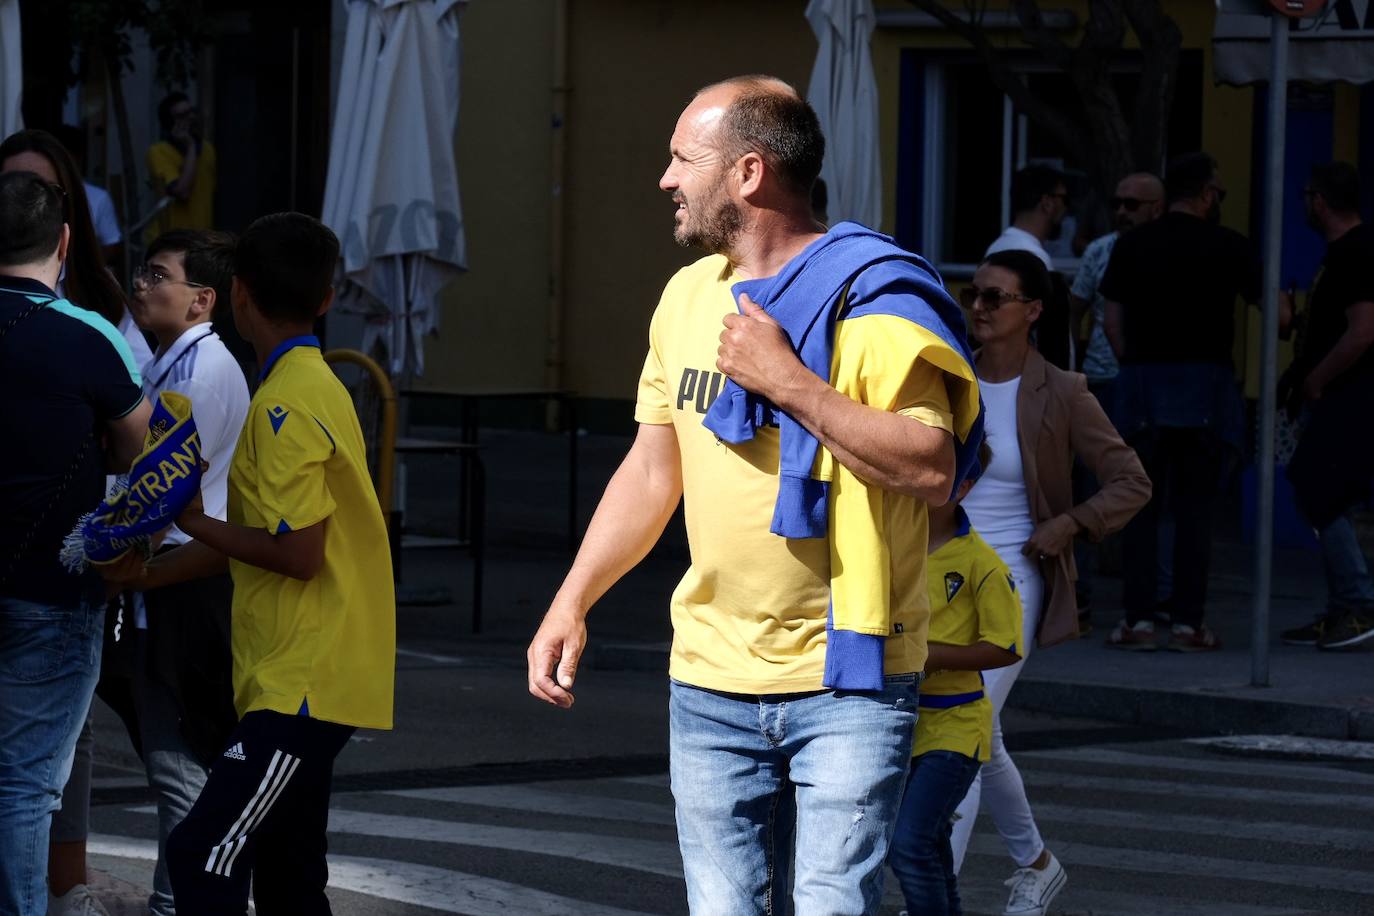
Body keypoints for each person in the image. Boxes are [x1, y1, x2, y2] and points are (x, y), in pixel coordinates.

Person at [526, 75, 983, 913]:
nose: (666, 178)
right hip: (709, 675)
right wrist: (572, 600)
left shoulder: (876, 301)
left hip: (849, 677)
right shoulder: (685, 296)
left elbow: (931, 468)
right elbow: (651, 472)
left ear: (747, 173)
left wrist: (788, 382)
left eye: (682, 158)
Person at [107, 213, 395, 913]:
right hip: (304, 671)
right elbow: (257, 541)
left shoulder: (284, 403)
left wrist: (192, 520)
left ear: (236, 294)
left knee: (203, 850)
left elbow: (298, 554)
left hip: (304, 680)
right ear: (327, 300)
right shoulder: (313, 382)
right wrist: (148, 573)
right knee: (289, 872)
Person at [950, 249, 1150, 916]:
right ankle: (1037, 864)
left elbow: (1132, 481)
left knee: (962, 726)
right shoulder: (950, 375)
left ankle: (932, 896)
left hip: (1014, 576)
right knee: (983, 733)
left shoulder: (1062, 390)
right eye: (974, 294)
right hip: (942, 574)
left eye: (995, 297)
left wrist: (1069, 523)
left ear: (1033, 311)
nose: (979, 307)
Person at [0, 126, 149, 916]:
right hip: (53, 592)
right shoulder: (91, 334)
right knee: (26, 784)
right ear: (63, 243)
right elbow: (141, 450)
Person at [119, 229, 249, 915]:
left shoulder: (198, 374)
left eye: (157, 275)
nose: (141, 285)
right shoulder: (174, 363)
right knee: (177, 760)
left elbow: (159, 493)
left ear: (202, 299)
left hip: (182, 582)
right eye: (142, 272)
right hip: (171, 579)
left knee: (180, 767)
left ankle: (185, 904)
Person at [1101, 152, 1261, 652]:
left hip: (1143, 387)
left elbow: (1111, 319)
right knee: (1195, 511)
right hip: (1206, 390)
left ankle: (1139, 621)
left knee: (1139, 506)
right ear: (1208, 194)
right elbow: (1274, 311)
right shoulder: (1230, 245)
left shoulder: (1132, 244)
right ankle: (1189, 623)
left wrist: (1136, 365)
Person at [888, 442, 1023, 916]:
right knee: (929, 844)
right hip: (903, 720)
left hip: (956, 727)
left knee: (908, 844)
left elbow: (1006, 646)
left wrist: (934, 656)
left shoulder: (981, 562)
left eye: (932, 476)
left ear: (962, 487)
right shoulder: (895, 541)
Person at [1280, 162, 1374, 651]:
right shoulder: (1343, 253)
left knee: (1319, 487)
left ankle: (1357, 604)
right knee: (1327, 492)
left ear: (1319, 200)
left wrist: (1317, 379)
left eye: (1306, 196)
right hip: (1340, 394)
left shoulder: (1356, 252)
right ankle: (1345, 606)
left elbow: (1363, 331)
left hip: (1349, 395)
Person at [1067, 172, 1164, 631]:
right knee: (1090, 487)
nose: (1122, 211)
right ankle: (1080, 594)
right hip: (1103, 381)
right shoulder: (1101, 250)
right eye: (1117, 203)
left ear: (1157, 207)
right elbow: (1076, 308)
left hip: (1146, 381)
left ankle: (1149, 597)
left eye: (1132, 204)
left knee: (1145, 488)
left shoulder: (1166, 248)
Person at [0, 129, 149, 368]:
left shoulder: (99, 290)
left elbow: (140, 373)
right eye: (11, 189)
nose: (27, 206)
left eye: (46, 192)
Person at [986, 165, 1074, 370]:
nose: (1067, 208)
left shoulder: (999, 247)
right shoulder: (1032, 258)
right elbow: (1050, 335)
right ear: (1047, 202)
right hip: (1034, 375)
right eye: (1065, 199)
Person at [146, 93, 218, 240]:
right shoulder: (158, 152)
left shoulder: (207, 150)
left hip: (201, 240)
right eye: (182, 115)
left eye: (192, 112)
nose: (191, 118)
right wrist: (190, 146)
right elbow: (182, 192)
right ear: (170, 124)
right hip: (171, 241)